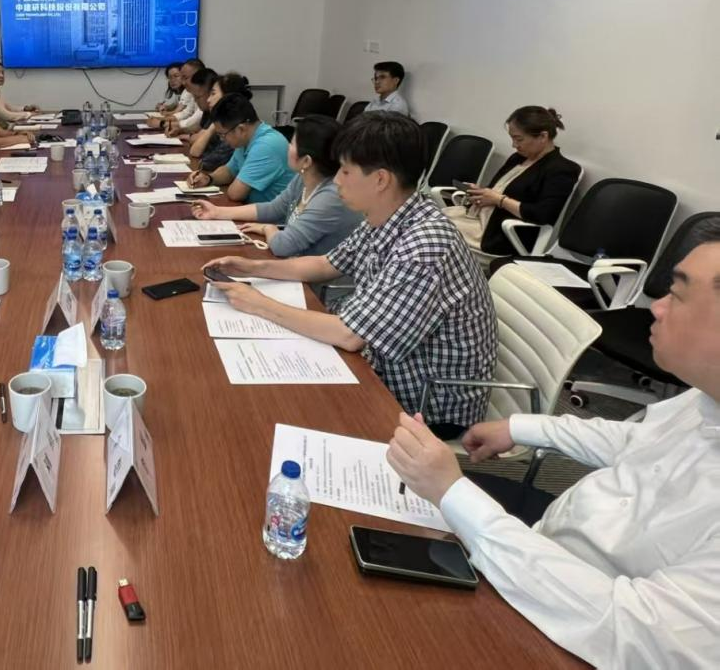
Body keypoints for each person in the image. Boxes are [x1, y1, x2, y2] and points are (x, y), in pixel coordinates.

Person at [386, 220, 720, 667]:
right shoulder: (703, 398)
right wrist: (519, 427)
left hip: (569, 631)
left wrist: (454, 493)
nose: (656, 308)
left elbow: (631, 632)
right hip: (537, 554)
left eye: (677, 295)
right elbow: (632, 439)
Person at [203, 113, 496, 436]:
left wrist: (258, 303)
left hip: (422, 407)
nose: (337, 181)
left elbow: (350, 336)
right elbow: (325, 264)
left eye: (345, 171)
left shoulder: (425, 246)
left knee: (265, 415)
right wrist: (252, 267)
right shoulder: (387, 215)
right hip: (380, 368)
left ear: (380, 180)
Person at [192, 115, 361, 257]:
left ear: (306, 161)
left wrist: (268, 228)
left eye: (292, 144)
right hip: (293, 266)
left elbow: (283, 246)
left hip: (313, 283)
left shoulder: (330, 196)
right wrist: (217, 212)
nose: (287, 147)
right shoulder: (303, 178)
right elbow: (274, 208)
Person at [443, 106, 581, 259]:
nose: (514, 145)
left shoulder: (561, 170)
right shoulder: (517, 158)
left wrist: (499, 200)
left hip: (498, 235)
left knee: (436, 235)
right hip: (479, 219)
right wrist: (482, 193)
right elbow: (501, 190)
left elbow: (542, 214)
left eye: (519, 139)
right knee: (431, 222)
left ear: (543, 136)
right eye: (512, 138)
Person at [189, 93, 294, 204]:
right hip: (253, 208)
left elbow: (235, 193)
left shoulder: (267, 145)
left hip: (276, 214)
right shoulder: (246, 139)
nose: (222, 139)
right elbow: (229, 171)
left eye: (223, 135)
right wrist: (208, 178)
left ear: (241, 129)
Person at [189, 71, 249, 173]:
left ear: (227, 96)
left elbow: (207, 163)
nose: (208, 100)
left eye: (213, 94)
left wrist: (212, 128)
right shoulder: (218, 119)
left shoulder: (235, 125)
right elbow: (195, 151)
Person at [165, 66, 216, 138]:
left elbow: (192, 121)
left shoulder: (216, 114)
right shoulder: (206, 111)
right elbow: (199, 130)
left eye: (185, 78)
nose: (183, 82)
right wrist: (180, 131)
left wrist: (162, 123)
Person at [0, 58, 38, 124]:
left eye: (2, 73)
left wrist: (25, 108)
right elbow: (8, 116)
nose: (2, 76)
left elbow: (10, 108)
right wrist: (29, 114)